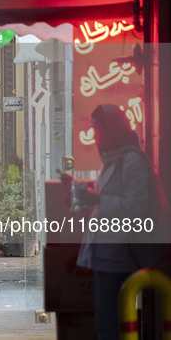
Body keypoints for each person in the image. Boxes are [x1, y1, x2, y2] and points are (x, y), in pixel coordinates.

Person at [72, 104, 170, 340]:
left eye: (98, 131)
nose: (94, 138)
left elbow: (136, 208)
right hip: (106, 255)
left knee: (111, 326)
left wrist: (97, 199)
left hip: (118, 257)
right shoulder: (112, 160)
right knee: (106, 322)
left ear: (113, 130)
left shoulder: (132, 162)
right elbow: (108, 200)